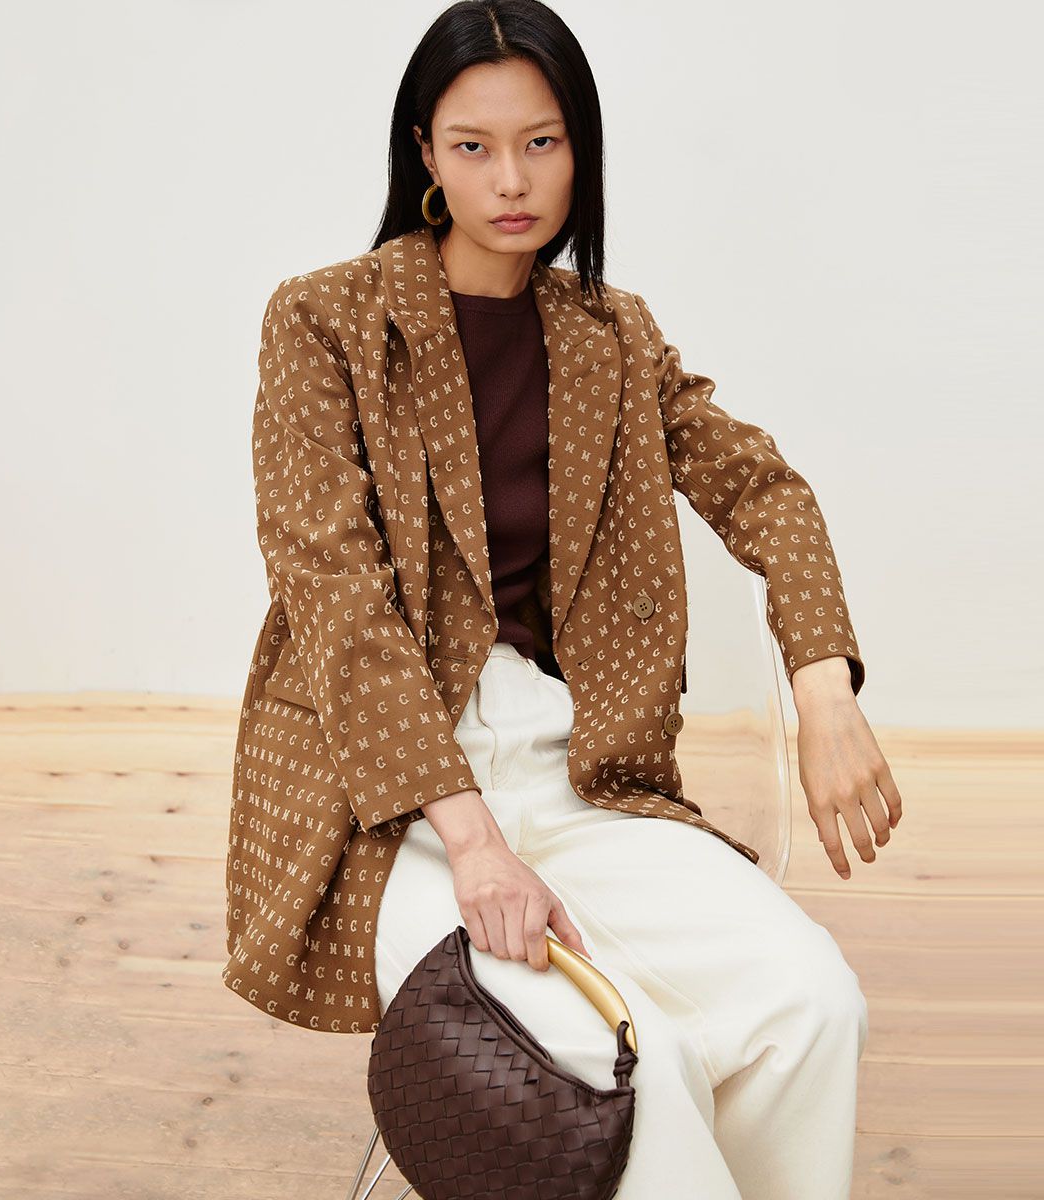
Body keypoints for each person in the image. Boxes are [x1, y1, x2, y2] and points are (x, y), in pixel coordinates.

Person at [225, 3, 904, 1196]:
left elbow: (763, 489)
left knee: (811, 1004)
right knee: (625, 1066)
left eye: (541, 142)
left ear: (580, 148)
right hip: (392, 802)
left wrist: (824, 686)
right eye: (473, 146)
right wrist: (475, 843)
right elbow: (335, 598)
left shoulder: (614, 337)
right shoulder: (324, 321)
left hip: (582, 776)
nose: (511, 180)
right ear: (425, 155)